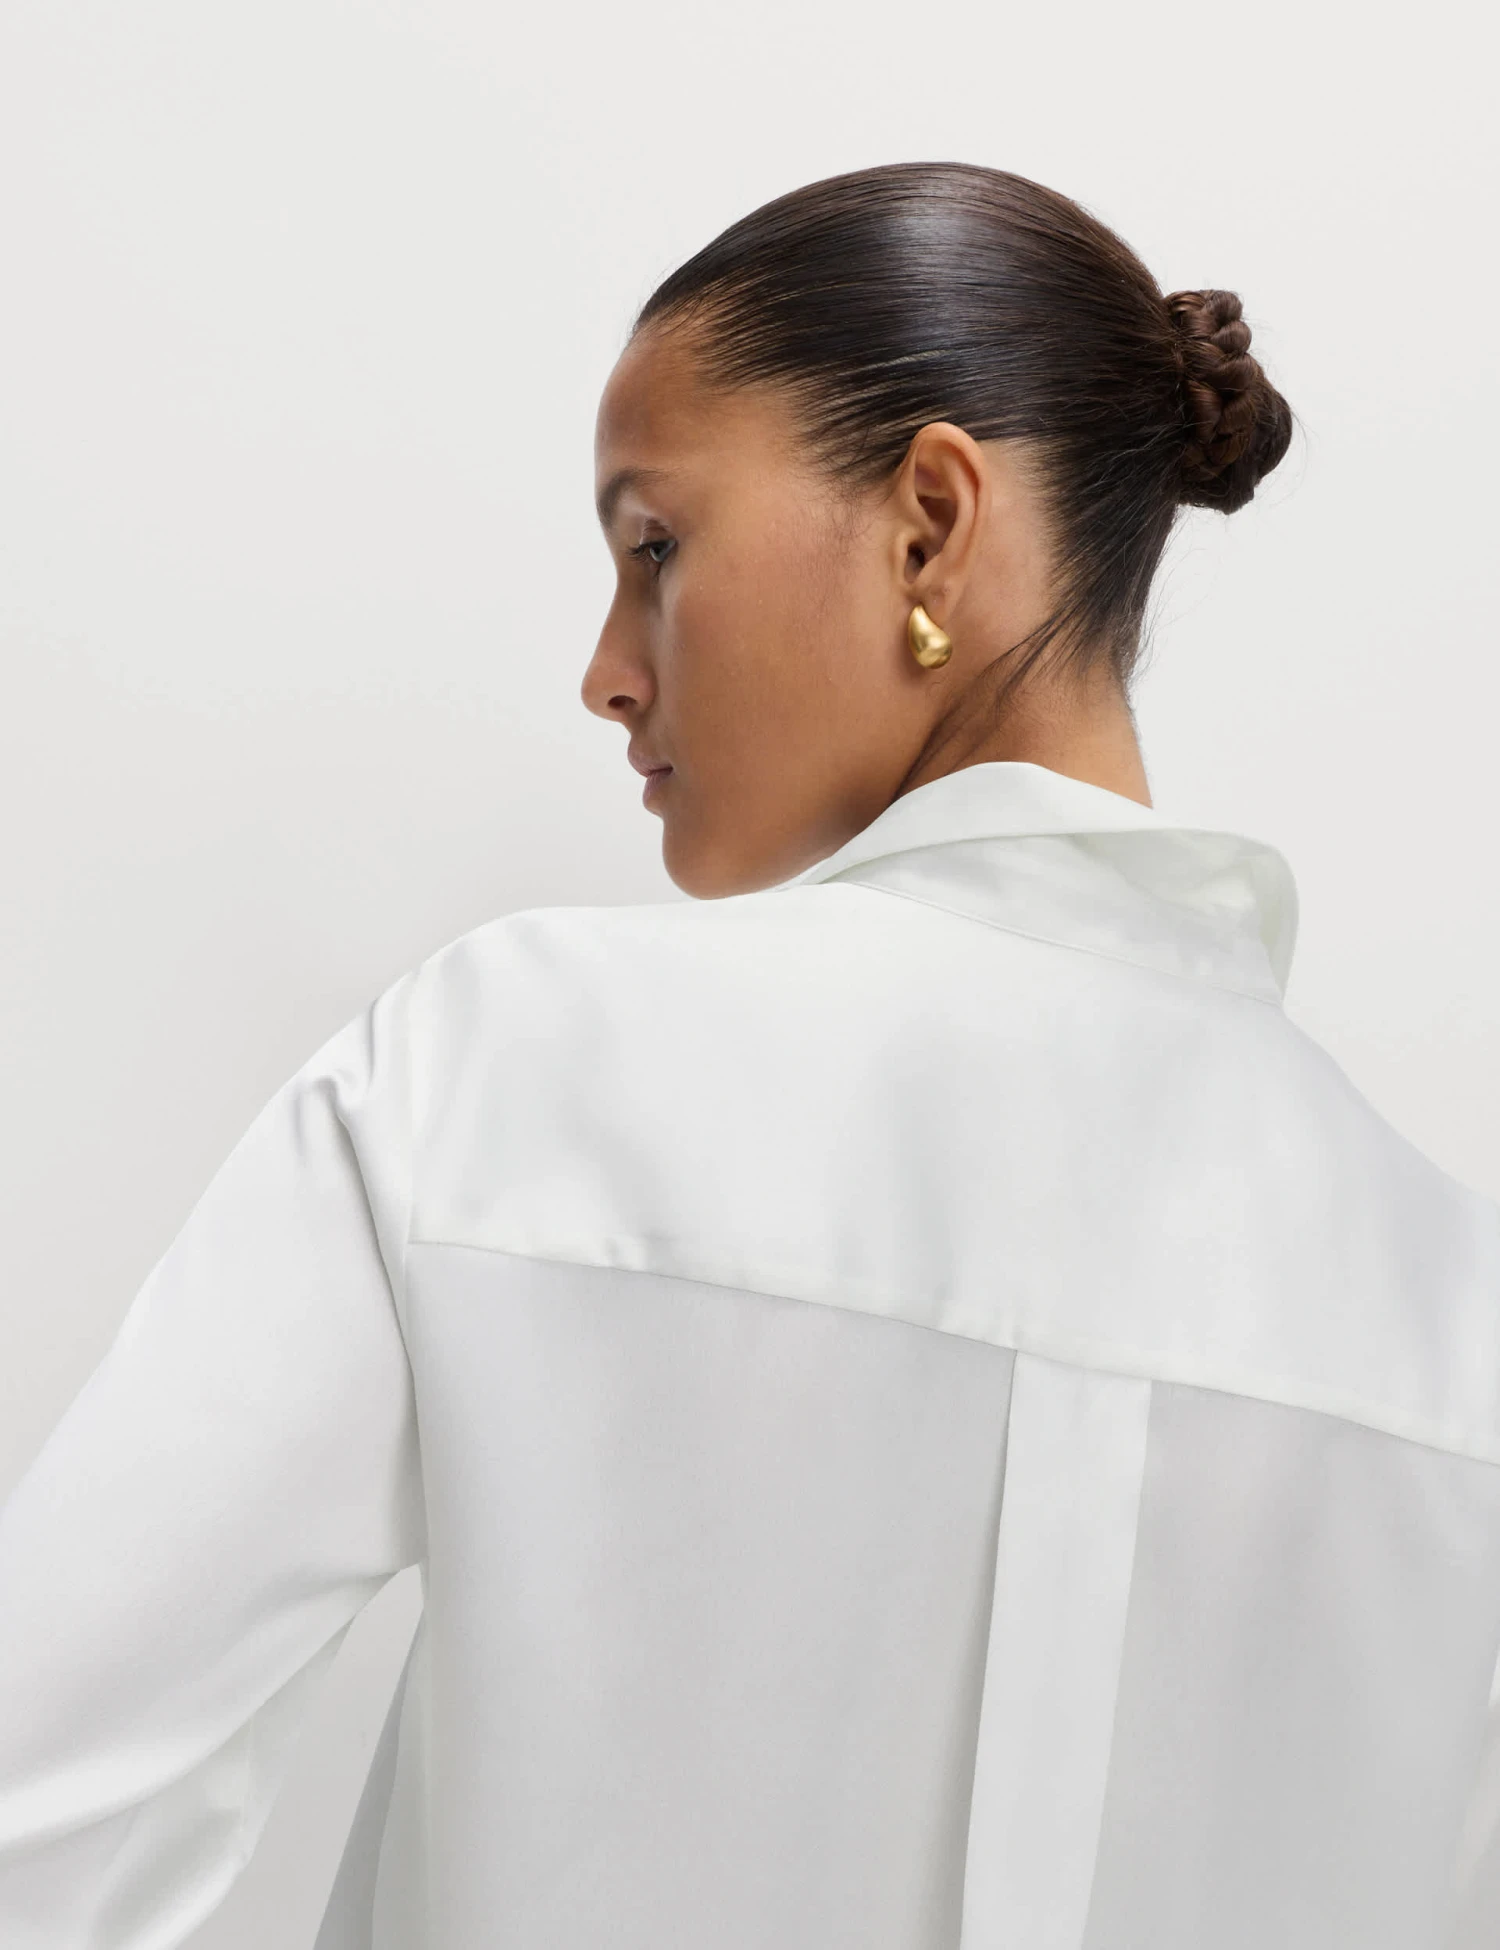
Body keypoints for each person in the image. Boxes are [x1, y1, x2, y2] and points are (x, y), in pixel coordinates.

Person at [1, 159, 1497, 1950]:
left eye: (654, 546)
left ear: (930, 523)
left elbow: (40, 1812)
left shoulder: (498, 1075)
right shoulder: (1453, 1317)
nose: (605, 672)